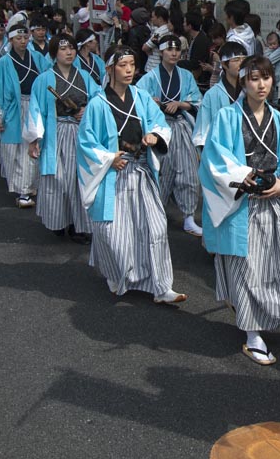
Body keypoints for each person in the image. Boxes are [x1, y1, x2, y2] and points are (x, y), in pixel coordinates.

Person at [199, 55, 280, 366]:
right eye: (254, 79)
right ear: (243, 82)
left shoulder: (279, 119)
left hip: (272, 203)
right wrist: (241, 176)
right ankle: (252, 333)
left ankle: (268, 316)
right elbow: (214, 158)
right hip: (242, 204)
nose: (262, 85)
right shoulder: (228, 118)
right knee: (247, 271)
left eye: (267, 78)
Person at [76, 45, 187, 303]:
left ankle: (161, 286)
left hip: (141, 170)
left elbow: (159, 122)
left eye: (132, 65)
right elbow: (85, 142)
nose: (129, 70)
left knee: (155, 228)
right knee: (114, 233)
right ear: (110, 69)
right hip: (114, 172)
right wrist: (108, 158)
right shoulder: (97, 103)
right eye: (122, 65)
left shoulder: (141, 97)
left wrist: (155, 135)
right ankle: (118, 274)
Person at [25, 33, 100, 243]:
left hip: (80, 133)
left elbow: (98, 98)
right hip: (55, 133)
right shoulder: (44, 80)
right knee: (58, 179)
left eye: (72, 48)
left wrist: (87, 109)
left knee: (80, 179)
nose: (69, 52)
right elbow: (36, 110)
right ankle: (59, 221)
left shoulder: (84, 77)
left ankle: (79, 225)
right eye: (63, 49)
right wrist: (33, 140)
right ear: (54, 53)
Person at [137, 35, 204, 236]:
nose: (174, 53)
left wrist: (182, 104)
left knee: (189, 171)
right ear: (161, 52)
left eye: (177, 50)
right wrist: (152, 102)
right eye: (169, 50)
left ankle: (189, 217)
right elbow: (139, 98)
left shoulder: (186, 75)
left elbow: (196, 100)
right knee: (162, 171)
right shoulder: (149, 77)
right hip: (161, 129)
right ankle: (157, 214)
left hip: (182, 127)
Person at [0, 17, 52, 208]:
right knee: (15, 150)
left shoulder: (38, 58)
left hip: (35, 107)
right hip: (13, 110)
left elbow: (49, 78)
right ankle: (23, 190)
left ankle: (31, 187)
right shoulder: (4, 63)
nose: (22, 41)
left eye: (25, 37)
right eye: (18, 38)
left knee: (35, 146)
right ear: (11, 40)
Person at [192, 42, 245, 148]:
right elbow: (203, 131)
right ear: (224, 64)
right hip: (221, 150)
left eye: (244, 59)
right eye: (236, 60)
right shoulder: (212, 94)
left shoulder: (251, 91)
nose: (241, 63)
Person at [141, 6, 170, 74]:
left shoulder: (158, 33)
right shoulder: (169, 30)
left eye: (153, 17)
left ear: (160, 19)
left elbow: (145, 47)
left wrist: (148, 50)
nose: (152, 19)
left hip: (153, 66)